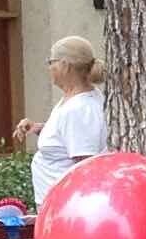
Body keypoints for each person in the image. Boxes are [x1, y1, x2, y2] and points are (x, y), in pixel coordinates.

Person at [16, 35, 109, 204]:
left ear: (65, 65)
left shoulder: (79, 109)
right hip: (55, 204)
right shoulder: (73, 100)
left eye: (51, 61)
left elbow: (85, 165)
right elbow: (67, 139)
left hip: (66, 207)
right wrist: (39, 128)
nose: (49, 67)